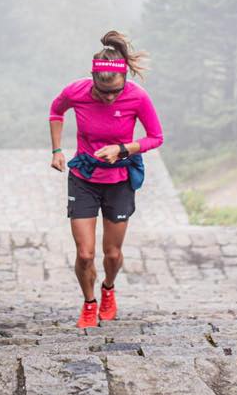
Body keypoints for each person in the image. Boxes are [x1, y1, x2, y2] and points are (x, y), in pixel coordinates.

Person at [48, 30, 164, 328]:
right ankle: (89, 303)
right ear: (93, 79)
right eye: (103, 93)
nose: (109, 97)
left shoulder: (137, 97)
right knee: (85, 254)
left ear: (124, 79)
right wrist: (57, 149)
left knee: (111, 254)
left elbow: (156, 138)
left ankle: (108, 289)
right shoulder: (76, 91)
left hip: (120, 179)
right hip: (84, 176)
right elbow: (56, 111)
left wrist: (123, 149)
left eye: (115, 92)